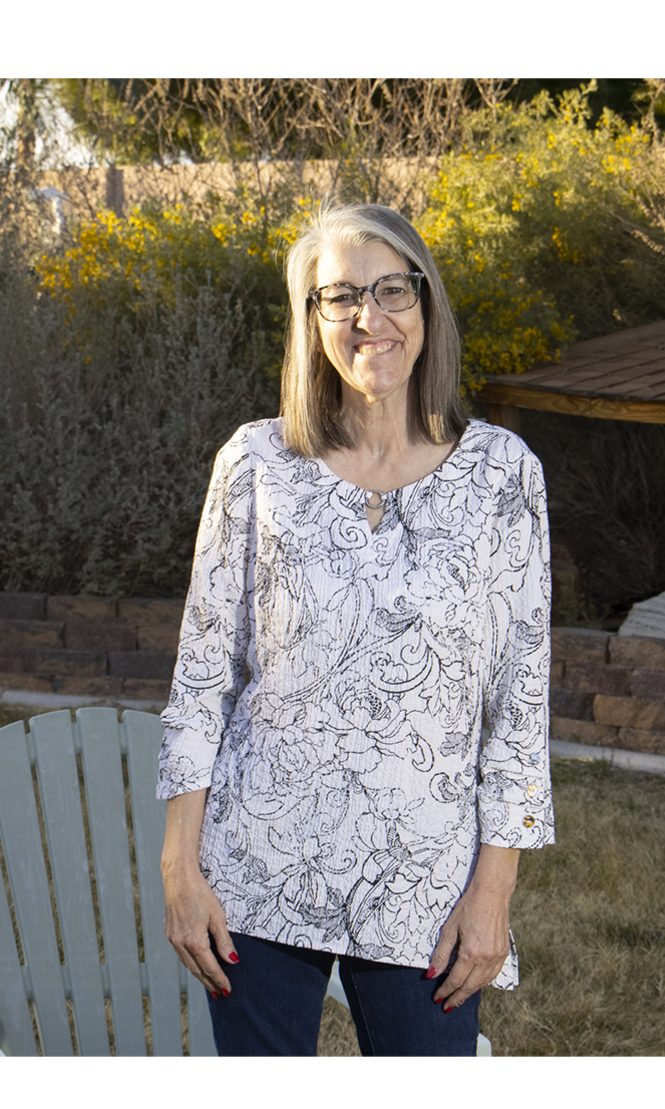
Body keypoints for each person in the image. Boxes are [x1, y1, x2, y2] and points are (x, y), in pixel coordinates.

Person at [158, 201, 555, 1057]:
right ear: (311, 321)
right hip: (256, 871)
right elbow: (201, 685)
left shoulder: (502, 476)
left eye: (390, 291)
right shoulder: (255, 464)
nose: (368, 318)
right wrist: (179, 870)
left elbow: (518, 712)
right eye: (339, 296)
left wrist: (495, 894)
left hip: (427, 884)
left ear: (426, 304)